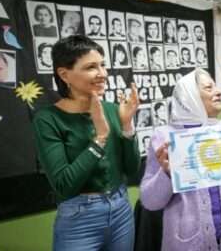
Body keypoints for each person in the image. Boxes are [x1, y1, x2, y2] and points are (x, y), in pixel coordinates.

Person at [140, 68, 221, 251]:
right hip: (189, 242)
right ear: (189, 96)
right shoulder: (165, 138)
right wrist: (167, 174)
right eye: (209, 88)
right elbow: (150, 202)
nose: (219, 92)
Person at [32, 35, 140, 250]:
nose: (102, 74)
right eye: (91, 67)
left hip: (121, 208)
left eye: (102, 65)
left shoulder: (112, 109)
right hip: (79, 217)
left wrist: (127, 126)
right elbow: (64, 185)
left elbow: (132, 169)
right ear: (64, 74)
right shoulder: (48, 119)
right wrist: (99, 138)